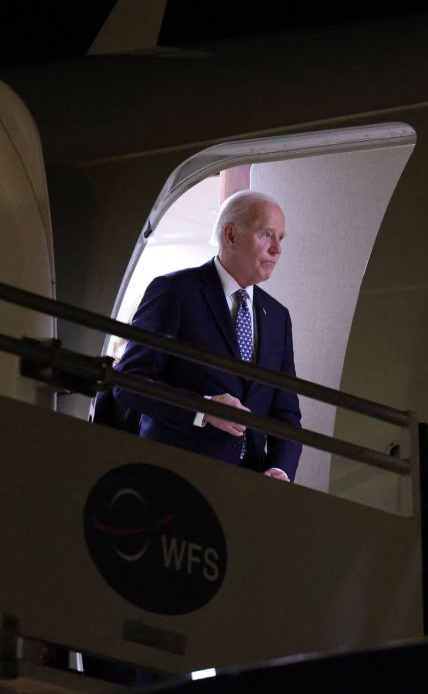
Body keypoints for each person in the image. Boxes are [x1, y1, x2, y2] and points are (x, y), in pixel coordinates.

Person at [111, 191, 301, 481]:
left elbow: (285, 413)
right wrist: (202, 407)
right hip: (173, 475)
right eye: (266, 234)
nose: (277, 249)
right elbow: (128, 382)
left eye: (280, 238)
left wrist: (280, 468)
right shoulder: (174, 291)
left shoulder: (277, 316)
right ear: (230, 235)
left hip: (246, 487)